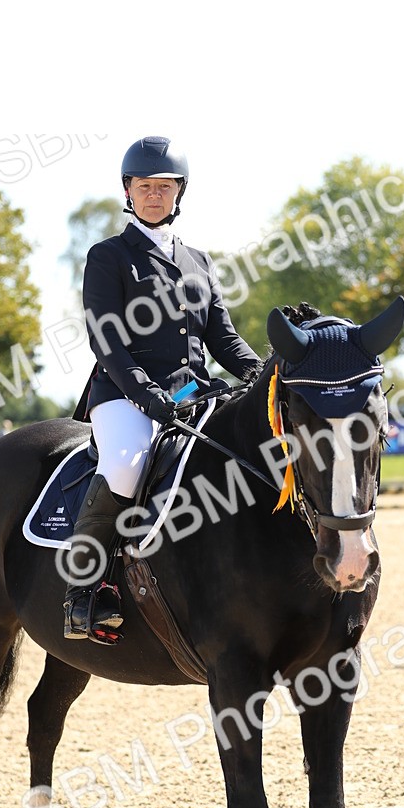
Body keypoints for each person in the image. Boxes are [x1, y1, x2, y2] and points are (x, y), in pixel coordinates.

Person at [65, 135, 262, 644]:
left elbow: (224, 338)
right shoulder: (109, 256)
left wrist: (264, 374)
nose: (155, 195)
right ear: (128, 191)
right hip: (124, 395)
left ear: (180, 192)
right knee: (125, 465)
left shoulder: (199, 261)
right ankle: (84, 589)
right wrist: (147, 395)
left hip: (193, 393)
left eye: (165, 187)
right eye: (145, 186)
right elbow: (106, 340)